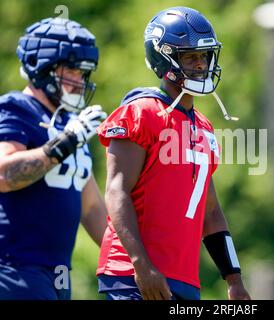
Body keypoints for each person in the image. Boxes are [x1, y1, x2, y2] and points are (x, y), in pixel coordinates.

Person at [96, 6, 250, 300]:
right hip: (132, 275)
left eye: (204, 56)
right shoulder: (141, 112)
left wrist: (234, 279)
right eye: (190, 57)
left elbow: (212, 212)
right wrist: (141, 264)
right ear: (164, 58)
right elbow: (117, 191)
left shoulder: (203, 127)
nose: (201, 65)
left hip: (185, 280)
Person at [0, 17, 108, 300]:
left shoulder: (69, 122)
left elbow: (91, 206)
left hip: (57, 273)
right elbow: (4, 175)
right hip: (14, 268)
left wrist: (134, 261)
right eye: (72, 69)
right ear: (43, 66)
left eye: (84, 73)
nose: (79, 81)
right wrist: (67, 141)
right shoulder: (17, 108)